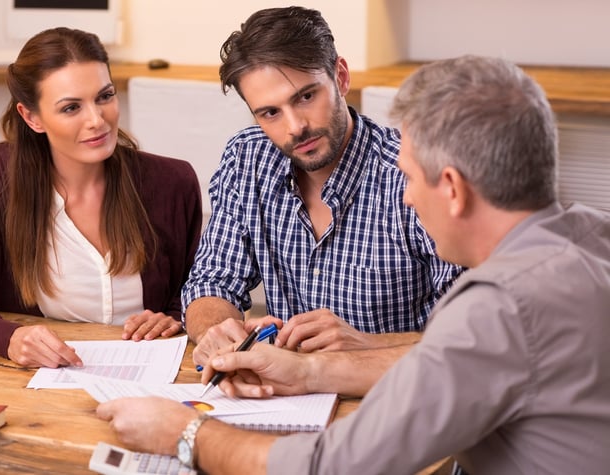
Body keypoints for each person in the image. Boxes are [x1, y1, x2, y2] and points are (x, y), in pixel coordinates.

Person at [97, 55, 610, 474]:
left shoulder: (501, 308)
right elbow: (456, 370)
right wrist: (306, 371)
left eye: (411, 178)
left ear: (451, 189)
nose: (407, 197)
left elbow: (335, 465)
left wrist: (185, 432)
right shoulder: (589, 235)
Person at [183, 6, 462, 371]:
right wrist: (219, 332)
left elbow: (475, 334)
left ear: (340, 78)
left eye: (306, 97)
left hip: (396, 395)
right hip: (285, 392)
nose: (295, 126)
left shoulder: (411, 172)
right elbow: (210, 281)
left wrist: (367, 344)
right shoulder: (246, 158)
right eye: (270, 113)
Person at [0, 27, 202, 368]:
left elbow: (194, 292)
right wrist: (9, 338)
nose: (97, 120)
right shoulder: (3, 174)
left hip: (151, 378)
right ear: (32, 117)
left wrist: (175, 316)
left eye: (105, 96)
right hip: (44, 383)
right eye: (71, 108)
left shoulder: (173, 182)